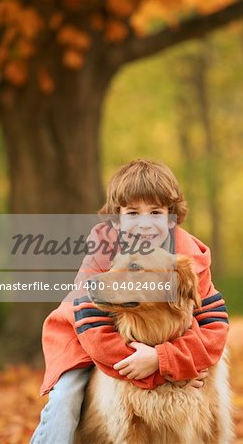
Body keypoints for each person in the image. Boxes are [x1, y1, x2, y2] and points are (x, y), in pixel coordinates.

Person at [30, 159, 229, 444]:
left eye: (156, 213)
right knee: (65, 402)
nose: (144, 224)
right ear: (117, 217)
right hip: (82, 341)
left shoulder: (190, 260)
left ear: (171, 217)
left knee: (216, 375)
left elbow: (216, 328)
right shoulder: (101, 254)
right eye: (133, 213)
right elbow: (94, 332)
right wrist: (161, 373)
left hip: (155, 344)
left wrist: (165, 360)